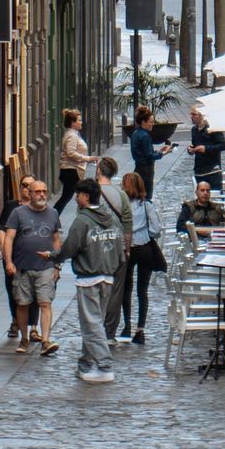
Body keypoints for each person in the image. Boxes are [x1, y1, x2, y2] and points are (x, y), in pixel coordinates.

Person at [54, 176, 124, 383]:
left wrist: (53, 257)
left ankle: (105, 365)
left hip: (89, 278)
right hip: (108, 277)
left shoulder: (82, 221)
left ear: (84, 197)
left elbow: (69, 248)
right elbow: (120, 251)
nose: (75, 198)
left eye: (77, 195)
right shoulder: (111, 220)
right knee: (95, 322)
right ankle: (85, 364)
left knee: (91, 324)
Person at [0, 177, 62, 352]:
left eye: (44, 191)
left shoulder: (53, 213)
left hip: (46, 267)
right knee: (23, 303)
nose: (42, 194)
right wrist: (9, 262)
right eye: (37, 191)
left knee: (45, 303)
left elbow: (56, 240)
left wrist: (57, 264)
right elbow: (9, 238)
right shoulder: (18, 213)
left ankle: (45, 340)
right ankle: (24, 339)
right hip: (23, 266)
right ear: (30, 193)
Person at [119, 170, 164, 342]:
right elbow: (156, 229)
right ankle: (140, 329)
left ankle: (127, 326)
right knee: (142, 290)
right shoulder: (146, 205)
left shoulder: (121, 206)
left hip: (127, 248)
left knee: (126, 288)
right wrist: (146, 233)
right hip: (144, 248)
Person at [97, 155, 134, 338]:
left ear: (98, 171)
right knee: (116, 291)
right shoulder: (121, 195)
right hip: (118, 247)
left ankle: (95, 325)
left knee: (96, 287)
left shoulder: (90, 193)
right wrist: (127, 248)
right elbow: (128, 223)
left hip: (96, 248)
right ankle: (109, 330)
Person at [187, 106, 225, 195]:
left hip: (212, 171)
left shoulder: (212, 128)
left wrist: (206, 148)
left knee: (214, 198)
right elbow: (195, 145)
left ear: (202, 115)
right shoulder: (194, 130)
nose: (191, 116)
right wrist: (191, 149)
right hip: (199, 171)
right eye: (191, 114)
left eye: (194, 114)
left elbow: (224, 145)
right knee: (200, 200)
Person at [56, 109, 91, 213]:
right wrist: (88, 158)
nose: (81, 122)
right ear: (72, 123)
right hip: (71, 171)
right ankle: (52, 218)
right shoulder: (71, 136)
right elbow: (71, 153)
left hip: (73, 170)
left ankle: (53, 218)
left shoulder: (74, 134)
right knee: (79, 195)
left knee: (68, 197)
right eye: (79, 120)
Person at [128, 106, 159, 196]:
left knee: (139, 192)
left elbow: (145, 151)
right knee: (146, 194)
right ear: (143, 122)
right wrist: (162, 153)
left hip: (138, 167)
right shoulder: (144, 136)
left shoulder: (136, 133)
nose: (152, 124)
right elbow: (149, 155)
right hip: (146, 169)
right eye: (151, 122)